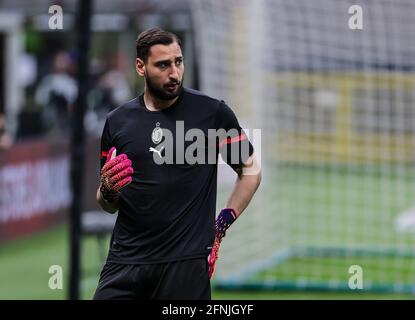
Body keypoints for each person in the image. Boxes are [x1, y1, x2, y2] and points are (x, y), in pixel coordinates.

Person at [93, 28, 261, 300]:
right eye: (162, 65)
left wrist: (223, 222)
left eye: (178, 62)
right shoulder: (117, 121)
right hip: (125, 262)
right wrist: (108, 191)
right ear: (140, 67)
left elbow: (250, 170)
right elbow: (106, 202)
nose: (174, 73)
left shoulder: (212, 113)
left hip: (185, 264)